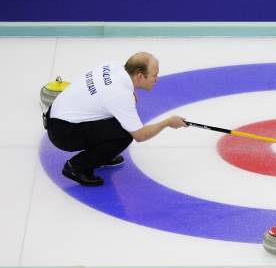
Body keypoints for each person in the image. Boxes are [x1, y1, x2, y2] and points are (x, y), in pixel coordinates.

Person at [46, 52, 187, 186]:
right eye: (154, 75)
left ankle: (102, 155)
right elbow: (140, 135)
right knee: (125, 134)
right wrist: (168, 122)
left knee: (120, 120)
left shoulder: (113, 66)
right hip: (63, 133)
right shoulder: (120, 95)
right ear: (139, 76)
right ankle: (77, 167)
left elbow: (107, 91)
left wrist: (130, 93)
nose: (157, 79)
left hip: (57, 114)